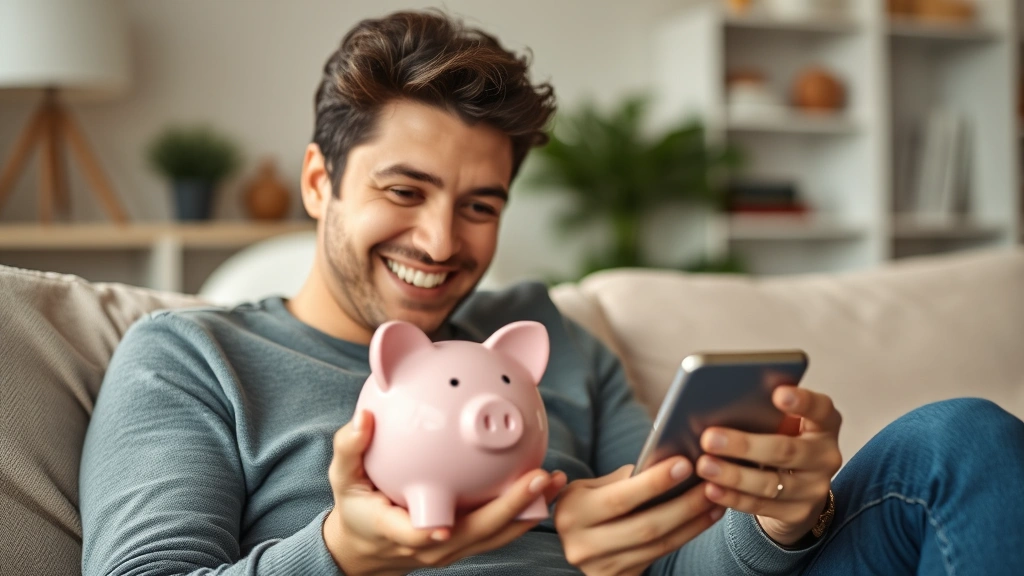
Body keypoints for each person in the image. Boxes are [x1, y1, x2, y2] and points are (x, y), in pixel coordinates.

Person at [79, 9, 1024, 576]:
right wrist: (344, 554)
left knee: (959, 441)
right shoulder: (194, 358)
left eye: (479, 204)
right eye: (404, 192)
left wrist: (776, 517)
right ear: (321, 182)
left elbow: (669, 562)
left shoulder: (549, 338)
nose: (442, 242)